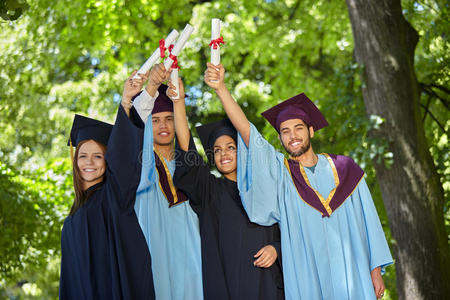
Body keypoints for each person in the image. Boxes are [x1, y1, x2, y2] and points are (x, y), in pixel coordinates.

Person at [204, 62, 393, 300]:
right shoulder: (282, 175)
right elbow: (248, 133)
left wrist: (375, 270)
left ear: (311, 131)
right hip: (307, 276)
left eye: (298, 128)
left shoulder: (346, 170)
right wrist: (221, 88)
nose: (292, 136)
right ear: (280, 138)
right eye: (285, 131)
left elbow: (369, 223)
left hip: (353, 275)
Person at [168, 79, 284, 300]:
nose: (224, 154)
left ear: (242, 152)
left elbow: (290, 231)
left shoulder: (266, 187)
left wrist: (276, 249)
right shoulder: (209, 190)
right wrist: (178, 102)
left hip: (269, 286)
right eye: (218, 150)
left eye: (231, 147)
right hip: (227, 287)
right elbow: (186, 149)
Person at [59, 70, 155, 299]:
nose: (89, 162)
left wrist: (126, 101)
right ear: (75, 161)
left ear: (108, 160)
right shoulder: (72, 217)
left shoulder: (113, 196)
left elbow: (124, 154)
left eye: (98, 156)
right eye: (82, 156)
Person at [132, 64, 203, 299]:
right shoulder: (140, 165)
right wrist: (150, 87)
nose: (163, 125)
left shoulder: (190, 165)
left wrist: (178, 100)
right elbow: (132, 128)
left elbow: (186, 144)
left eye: (169, 119)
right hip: (154, 257)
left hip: (192, 260)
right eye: (155, 120)